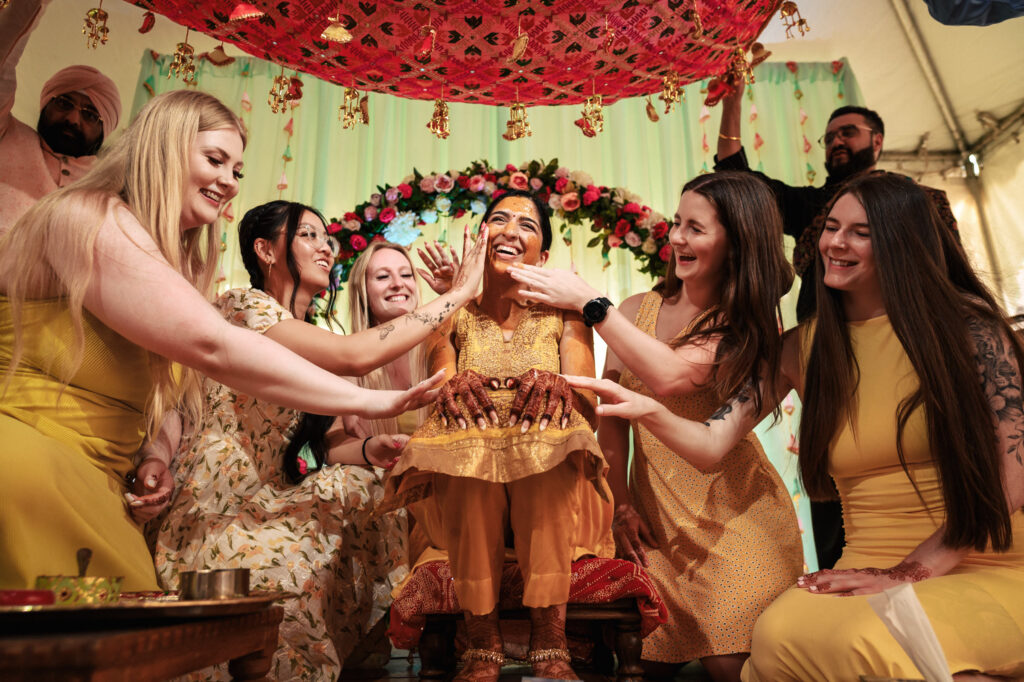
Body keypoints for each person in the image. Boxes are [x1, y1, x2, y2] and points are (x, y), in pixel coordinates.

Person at [569, 172, 1024, 680]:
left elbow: (1011, 482)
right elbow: (711, 442)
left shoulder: (973, 333)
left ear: (903, 243)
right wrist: (646, 411)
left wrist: (908, 572)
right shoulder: (800, 348)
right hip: (863, 563)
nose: (835, 243)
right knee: (777, 641)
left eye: (860, 232)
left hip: (981, 559)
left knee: (867, 644)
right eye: (831, 227)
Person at [0, 90, 448, 591]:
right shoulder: (90, 217)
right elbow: (219, 349)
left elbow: (176, 397)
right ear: (163, 147)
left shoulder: (181, 267)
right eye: (214, 160)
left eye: (236, 170)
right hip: (35, 463)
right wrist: (457, 298)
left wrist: (150, 459)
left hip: (106, 479)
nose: (230, 182)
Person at [153, 203, 486, 681]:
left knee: (361, 488)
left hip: (273, 490)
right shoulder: (244, 306)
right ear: (265, 250)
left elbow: (320, 447)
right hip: (220, 496)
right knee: (278, 578)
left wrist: (369, 450)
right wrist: (459, 292)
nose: (325, 246)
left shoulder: (315, 336)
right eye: (307, 234)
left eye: (325, 236)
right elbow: (353, 355)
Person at [508, 171, 803, 681]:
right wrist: (621, 505)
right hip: (657, 527)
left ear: (736, 243)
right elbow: (611, 420)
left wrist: (587, 301)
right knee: (640, 663)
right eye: (677, 222)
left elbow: (671, 376)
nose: (677, 238)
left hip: (734, 523)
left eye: (696, 228)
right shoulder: (636, 310)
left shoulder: (742, 325)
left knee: (729, 666)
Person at [716, 80, 958, 570]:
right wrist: (732, 102)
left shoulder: (920, 202)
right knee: (836, 496)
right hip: (828, 366)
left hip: (912, 360)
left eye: (848, 132)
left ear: (877, 141)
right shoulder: (813, 206)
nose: (836, 143)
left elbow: (951, 280)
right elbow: (738, 180)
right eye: (828, 138)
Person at [382, 189, 615, 682]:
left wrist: (560, 387)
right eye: (499, 220)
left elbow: (588, 408)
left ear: (543, 257)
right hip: (467, 463)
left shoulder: (567, 314)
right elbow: (440, 383)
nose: (510, 231)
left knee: (546, 457)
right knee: (469, 461)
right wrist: (455, 384)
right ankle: (481, 644)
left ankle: (550, 641)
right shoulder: (452, 311)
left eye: (527, 225)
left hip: (552, 463)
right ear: (481, 237)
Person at [1, 0, 121, 235]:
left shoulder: (111, 187)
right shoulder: (7, 133)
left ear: (104, 130)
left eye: (90, 115)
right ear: (46, 105)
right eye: (64, 103)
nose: (73, 120)